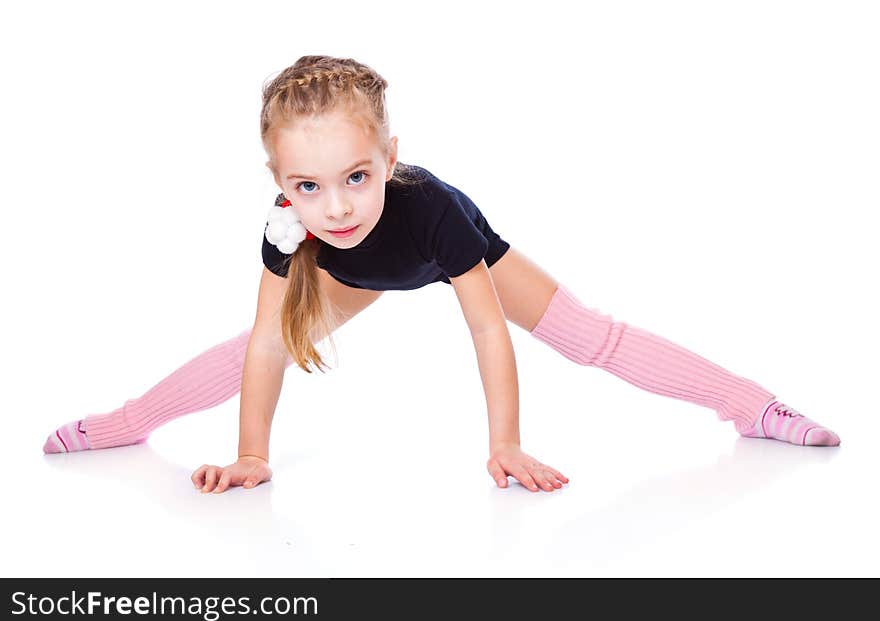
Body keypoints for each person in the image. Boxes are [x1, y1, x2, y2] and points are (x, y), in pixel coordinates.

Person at [42, 55, 840, 494]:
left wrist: (506, 444)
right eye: (309, 186)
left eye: (357, 177)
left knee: (591, 336)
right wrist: (252, 455)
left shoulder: (432, 210)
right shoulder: (294, 226)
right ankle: (128, 421)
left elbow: (487, 326)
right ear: (281, 184)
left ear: (389, 158)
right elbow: (260, 347)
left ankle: (754, 407)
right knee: (271, 333)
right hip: (356, 277)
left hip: (438, 253)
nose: (337, 207)